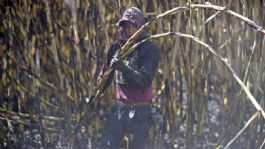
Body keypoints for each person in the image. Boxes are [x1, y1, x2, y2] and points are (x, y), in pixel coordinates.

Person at [97, 7, 160, 149]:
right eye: (126, 27)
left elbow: (144, 81)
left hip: (139, 111)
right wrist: (99, 85)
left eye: (133, 26)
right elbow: (106, 75)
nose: (130, 31)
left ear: (140, 27)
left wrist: (123, 68)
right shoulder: (117, 48)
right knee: (106, 145)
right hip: (119, 109)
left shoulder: (149, 50)